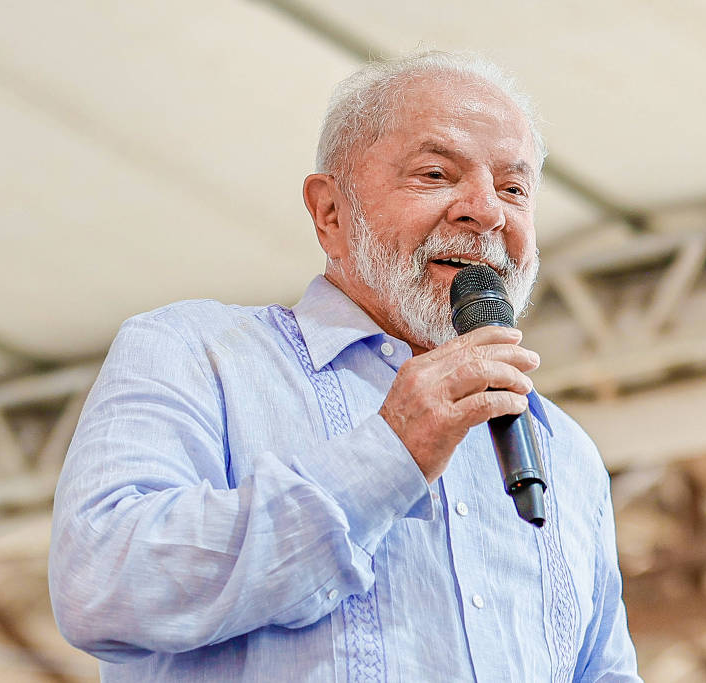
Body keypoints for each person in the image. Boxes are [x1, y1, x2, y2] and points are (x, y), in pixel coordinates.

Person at [49, 50, 641, 682]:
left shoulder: (566, 454)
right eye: (437, 174)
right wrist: (389, 453)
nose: (487, 211)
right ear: (330, 213)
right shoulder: (196, 353)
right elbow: (100, 580)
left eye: (514, 189)